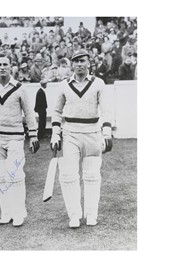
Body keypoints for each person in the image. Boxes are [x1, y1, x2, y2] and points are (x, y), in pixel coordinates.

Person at [50, 49, 113, 228]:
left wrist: (106, 133)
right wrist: (55, 133)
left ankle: (91, 214)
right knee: (68, 175)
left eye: (82, 61)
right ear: (72, 64)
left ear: (89, 63)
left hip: (93, 133)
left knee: (92, 176)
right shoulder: (63, 85)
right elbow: (56, 111)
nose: (79, 64)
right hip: (70, 134)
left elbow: (106, 109)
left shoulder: (98, 83)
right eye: (76, 61)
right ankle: (74, 215)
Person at [0, 55, 40, 227]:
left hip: (15, 136)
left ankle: (18, 213)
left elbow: (29, 113)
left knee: (15, 175)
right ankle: (6, 212)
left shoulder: (20, 88)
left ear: (11, 67)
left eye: (5, 64)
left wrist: (33, 135)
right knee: (0, 177)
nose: (2, 67)